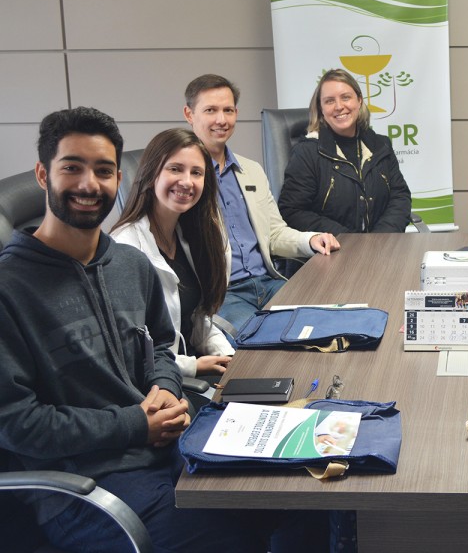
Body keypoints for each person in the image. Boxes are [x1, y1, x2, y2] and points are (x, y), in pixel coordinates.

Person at [0, 107, 326, 552]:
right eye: (71, 167)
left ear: (118, 179)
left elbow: (159, 350)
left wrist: (166, 387)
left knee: (309, 499)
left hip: (170, 448)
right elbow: (18, 425)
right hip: (88, 488)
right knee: (229, 539)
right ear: (43, 174)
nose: (89, 183)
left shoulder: (130, 266)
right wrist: (136, 423)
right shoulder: (10, 288)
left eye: (103, 170)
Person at [183, 74, 340, 331]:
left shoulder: (251, 170)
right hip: (222, 297)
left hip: (268, 283)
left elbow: (274, 234)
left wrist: (310, 240)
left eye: (228, 110)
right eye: (210, 110)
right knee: (267, 344)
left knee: (327, 323)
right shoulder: (183, 179)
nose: (221, 120)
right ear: (189, 114)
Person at [111, 128, 232, 379]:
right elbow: (131, 351)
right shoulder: (126, 247)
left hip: (196, 366)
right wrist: (193, 366)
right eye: (175, 169)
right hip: (163, 382)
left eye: (196, 172)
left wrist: (229, 357)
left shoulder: (191, 233)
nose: (187, 181)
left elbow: (200, 319)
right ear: (151, 173)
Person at [278, 68, 412, 234]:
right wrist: (349, 240)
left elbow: (400, 197)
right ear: (321, 108)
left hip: (381, 248)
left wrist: (380, 238)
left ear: (359, 101)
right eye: (329, 101)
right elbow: (292, 211)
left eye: (346, 97)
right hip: (331, 253)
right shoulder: (307, 152)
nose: (339, 106)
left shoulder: (381, 146)